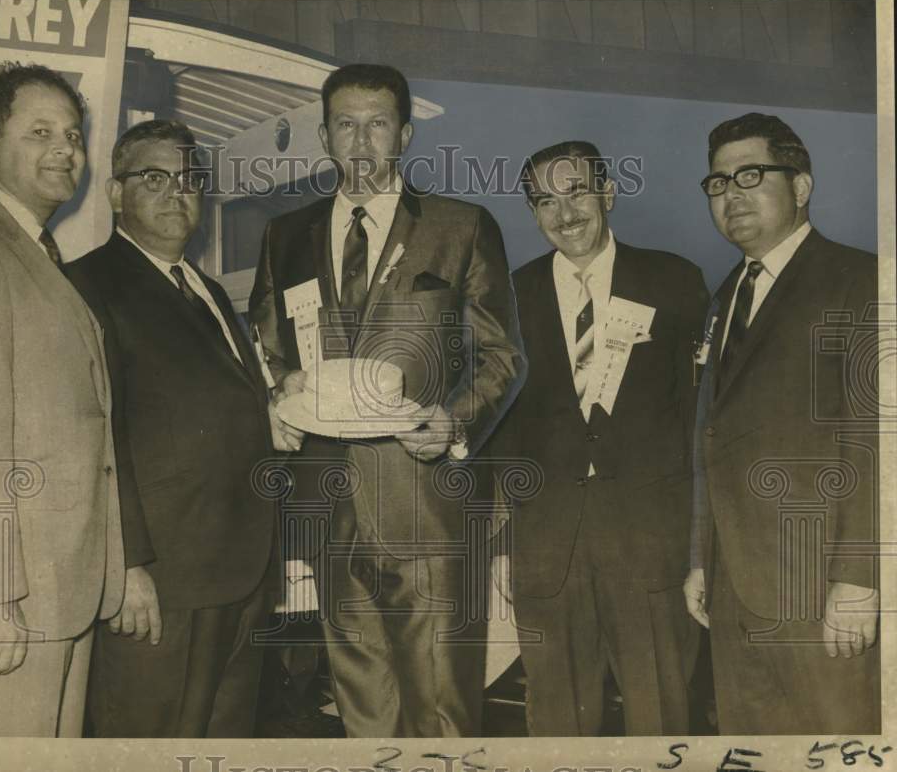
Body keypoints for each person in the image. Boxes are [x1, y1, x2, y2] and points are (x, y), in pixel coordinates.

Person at [249, 63, 526, 737]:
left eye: (378, 124)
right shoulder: (285, 236)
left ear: (403, 133)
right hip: (328, 506)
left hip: (426, 505)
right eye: (346, 124)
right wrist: (279, 389)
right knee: (362, 714)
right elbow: (267, 342)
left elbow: (502, 357)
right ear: (324, 135)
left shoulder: (461, 226)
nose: (362, 142)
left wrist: (453, 423)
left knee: (441, 713)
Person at [65, 120, 282, 737]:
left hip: (236, 574)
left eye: (188, 180)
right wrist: (127, 565)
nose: (175, 193)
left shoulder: (207, 289)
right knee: (146, 742)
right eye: (153, 178)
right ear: (114, 192)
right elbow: (95, 439)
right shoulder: (89, 284)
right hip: (158, 584)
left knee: (219, 741)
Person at [0, 63, 125, 736]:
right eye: (39, 132)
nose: (65, 150)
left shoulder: (32, 251)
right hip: (7, 603)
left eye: (72, 134)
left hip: (56, 594)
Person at [487, 141, 709, 735]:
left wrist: (694, 546)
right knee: (556, 722)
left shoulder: (673, 280)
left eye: (577, 191)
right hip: (547, 547)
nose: (565, 212)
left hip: (648, 541)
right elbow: (500, 423)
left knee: (660, 715)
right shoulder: (508, 295)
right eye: (544, 200)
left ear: (608, 193)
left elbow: (698, 415)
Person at [685, 112, 880, 734]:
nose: (731, 195)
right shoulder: (725, 295)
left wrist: (859, 581)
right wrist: (699, 557)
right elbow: (710, 436)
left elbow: (875, 440)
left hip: (820, 586)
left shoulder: (861, 280)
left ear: (801, 186)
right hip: (733, 588)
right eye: (717, 183)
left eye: (751, 175)